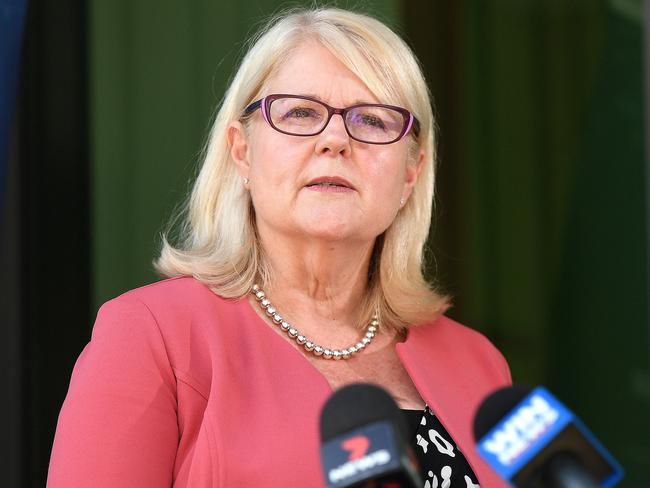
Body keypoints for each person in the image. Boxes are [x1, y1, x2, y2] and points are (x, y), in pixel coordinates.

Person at [47, 7, 511, 488]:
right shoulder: (154, 337)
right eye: (300, 113)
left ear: (410, 173)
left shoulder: (477, 362)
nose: (335, 140)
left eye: (372, 120)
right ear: (242, 152)